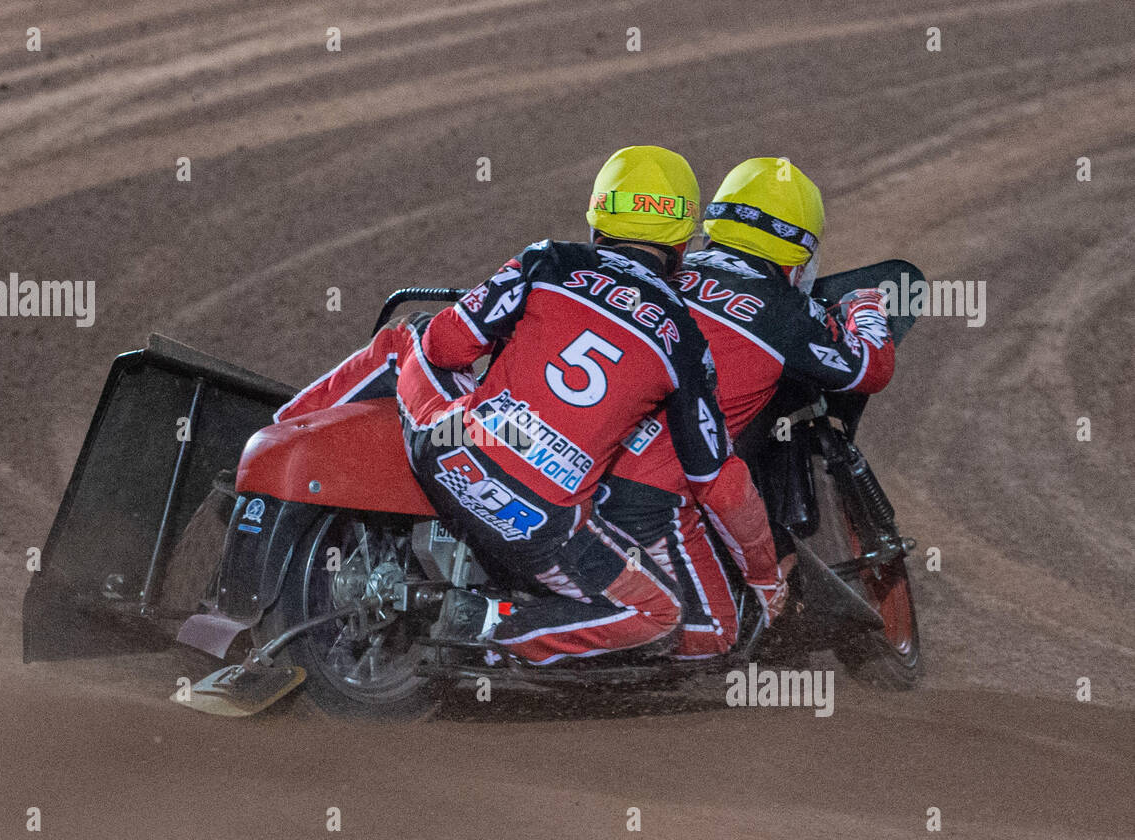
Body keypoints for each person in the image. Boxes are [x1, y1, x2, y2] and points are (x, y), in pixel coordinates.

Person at [276, 146, 784, 665]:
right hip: (539, 525)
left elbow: (445, 349)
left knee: (409, 338)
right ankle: (492, 627)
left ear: (598, 215)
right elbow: (717, 480)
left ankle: (281, 433)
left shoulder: (548, 259)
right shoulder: (687, 340)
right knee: (659, 615)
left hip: (449, 450)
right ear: (684, 237)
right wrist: (765, 575)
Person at [601, 157, 893, 658]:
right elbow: (870, 370)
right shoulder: (787, 311)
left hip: (576, 446)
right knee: (725, 629)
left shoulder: (661, 269)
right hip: (666, 485)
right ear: (800, 252)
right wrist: (865, 308)